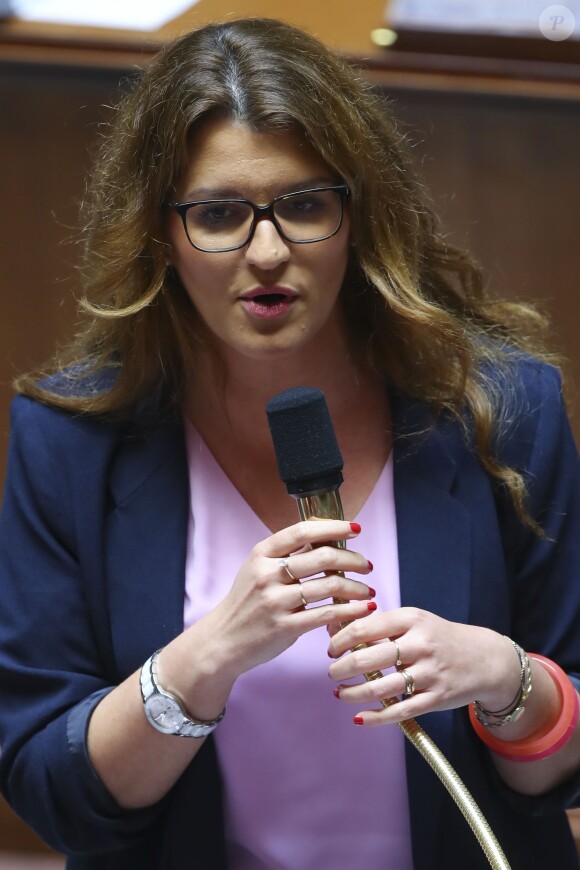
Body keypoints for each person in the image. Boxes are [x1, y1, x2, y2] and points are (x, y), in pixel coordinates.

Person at [0, 16, 579, 870]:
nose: (266, 251)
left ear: (358, 216)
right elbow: (53, 794)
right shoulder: (69, 441)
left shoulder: (502, 409)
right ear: (162, 231)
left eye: (305, 205)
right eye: (220, 213)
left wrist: (504, 678)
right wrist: (203, 661)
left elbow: (560, 776)